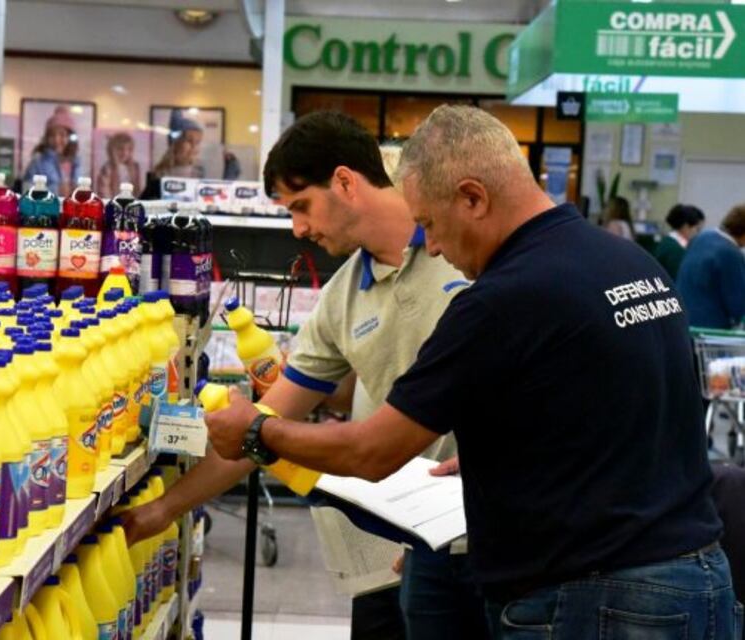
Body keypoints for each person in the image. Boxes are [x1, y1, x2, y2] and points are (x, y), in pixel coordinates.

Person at [205, 105, 736, 639]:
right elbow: (621, 414)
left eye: (431, 224)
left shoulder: (500, 299)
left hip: (596, 598)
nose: (431, 245)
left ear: (473, 197)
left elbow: (370, 452)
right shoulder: (629, 264)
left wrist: (256, 429)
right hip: (699, 579)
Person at [121, 111, 488, 638]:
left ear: (345, 181)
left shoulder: (461, 248)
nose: (298, 230)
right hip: (389, 553)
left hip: (482, 541)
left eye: (301, 207)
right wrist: (162, 510)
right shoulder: (342, 299)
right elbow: (266, 427)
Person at [676, 205, 745, 330]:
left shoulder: (701, 238)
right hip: (710, 329)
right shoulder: (730, 253)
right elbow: (738, 304)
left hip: (681, 321)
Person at [23, 104, 81, 197]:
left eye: (62, 135)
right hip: (47, 209)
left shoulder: (76, 162)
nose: (57, 140)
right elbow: (27, 190)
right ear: (46, 138)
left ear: (70, 137)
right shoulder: (38, 162)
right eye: (52, 135)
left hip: (72, 209)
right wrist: (55, 190)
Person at [654, 204, 706, 280]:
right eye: (697, 229)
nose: (698, 233)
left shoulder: (669, 242)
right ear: (686, 227)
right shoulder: (675, 250)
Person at [152, 109, 205, 179]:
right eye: (189, 141)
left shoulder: (199, 173)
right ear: (175, 145)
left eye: (197, 142)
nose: (194, 146)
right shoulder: (160, 174)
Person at [96, 131, 142, 199]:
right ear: (112, 150)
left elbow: (137, 189)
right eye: (120, 149)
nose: (125, 153)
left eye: (129, 149)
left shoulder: (135, 167)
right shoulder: (107, 168)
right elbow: (103, 191)